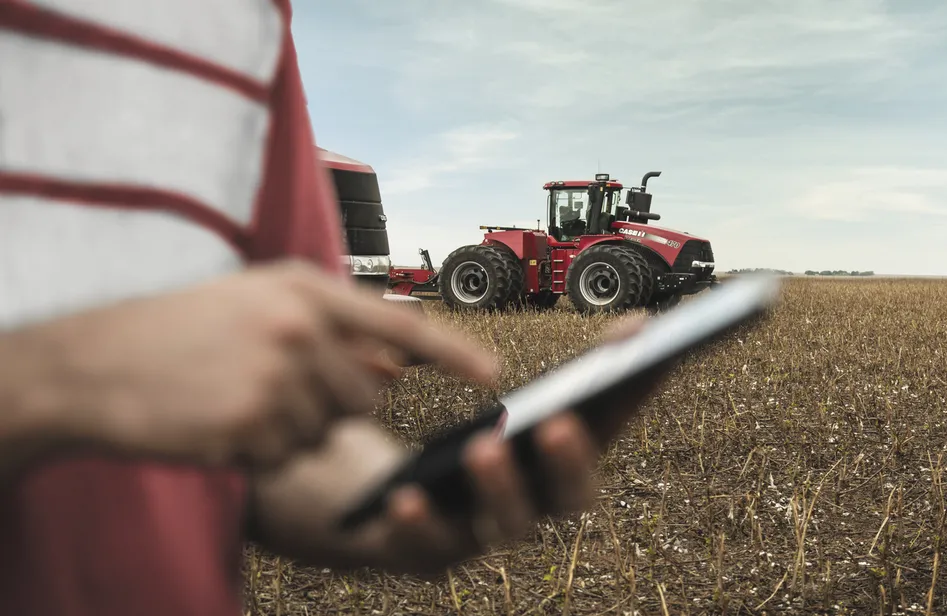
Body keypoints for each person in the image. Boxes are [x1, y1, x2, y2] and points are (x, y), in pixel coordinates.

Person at [0, 2, 665, 615]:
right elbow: (148, 375)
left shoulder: (244, 20)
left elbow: (274, 434)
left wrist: (396, 504)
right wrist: (61, 378)